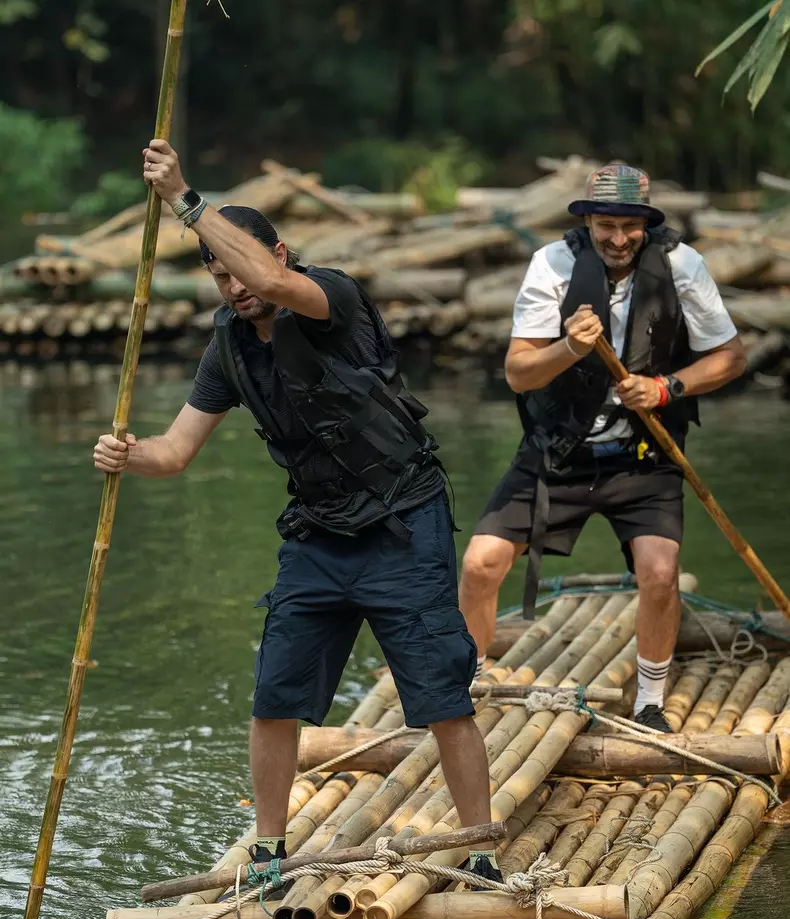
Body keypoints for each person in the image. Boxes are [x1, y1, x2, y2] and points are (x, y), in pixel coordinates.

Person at [94, 139, 500, 881]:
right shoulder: (228, 348)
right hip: (318, 532)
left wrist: (186, 199)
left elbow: (270, 281)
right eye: (218, 275)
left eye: (239, 267)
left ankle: (479, 845)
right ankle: (269, 851)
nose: (233, 285)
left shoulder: (327, 298)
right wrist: (128, 454)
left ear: (277, 252)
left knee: (442, 691)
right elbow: (176, 450)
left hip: (403, 520)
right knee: (273, 693)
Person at [459, 163, 746, 733]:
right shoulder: (553, 264)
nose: (618, 239)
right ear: (588, 221)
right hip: (557, 453)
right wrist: (568, 347)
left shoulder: (683, 265)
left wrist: (667, 388)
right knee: (479, 564)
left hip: (645, 456)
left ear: (646, 223)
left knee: (660, 573)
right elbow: (519, 373)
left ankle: (650, 700)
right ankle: (463, 684)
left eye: (630, 227)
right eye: (606, 225)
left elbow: (731, 358)